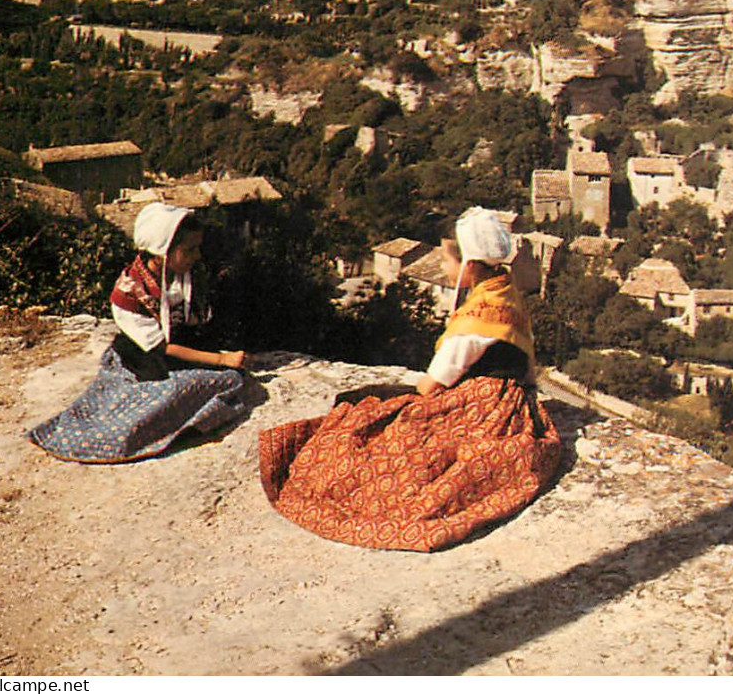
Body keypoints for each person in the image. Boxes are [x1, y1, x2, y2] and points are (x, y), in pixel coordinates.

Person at [259, 207, 562, 552]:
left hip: (483, 401)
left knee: (390, 431)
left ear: (471, 266)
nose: (443, 267)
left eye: (447, 260)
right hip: (511, 401)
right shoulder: (504, 290)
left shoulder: (476, 318)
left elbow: (433, 384)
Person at [28, 203, 248, 463]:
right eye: (189, 249)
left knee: (230, 378)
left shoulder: (182, 276)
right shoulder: (129, 292)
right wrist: (221, 359)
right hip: (144, 358)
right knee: (173, 396)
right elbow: (159, 347)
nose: (197, 256)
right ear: (161, 252)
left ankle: (184, 424)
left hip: (177, 348)